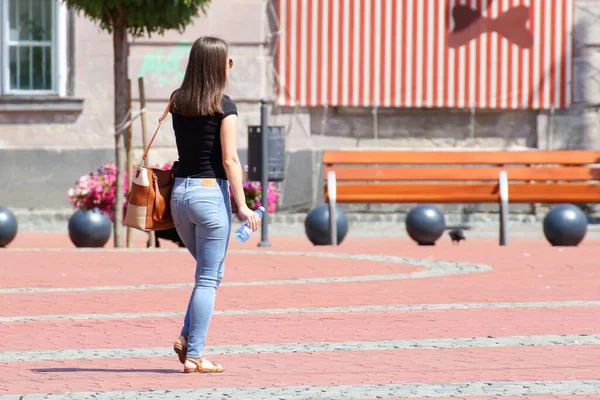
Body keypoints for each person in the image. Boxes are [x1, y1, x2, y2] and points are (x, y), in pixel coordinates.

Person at [168, 36, 261, 373]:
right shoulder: (225, 105)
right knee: (208, 279)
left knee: (209, 272)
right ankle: (194, 355)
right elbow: (230, 159)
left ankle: (184, 336)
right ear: (222, 66)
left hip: (179, 196)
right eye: (229, 61)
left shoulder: (177, 100)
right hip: (210, 196)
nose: (231, 66)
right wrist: (243, 206)